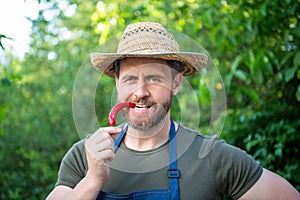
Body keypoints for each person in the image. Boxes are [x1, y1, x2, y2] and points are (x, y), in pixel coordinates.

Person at [46, 22, 299, 200]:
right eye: (131, 79)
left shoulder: (211, 156)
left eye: (154, 79)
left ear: (176, 84)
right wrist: (92, 180)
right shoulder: (83, 156)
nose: (141, 92)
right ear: (117, 84)